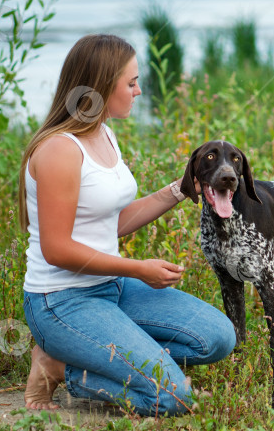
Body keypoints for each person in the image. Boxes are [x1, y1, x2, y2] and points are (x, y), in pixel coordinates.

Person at [17, 34, 236, 416]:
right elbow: (57, 248)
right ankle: (57, 366)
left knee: (218, 338)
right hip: (62, 302)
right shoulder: (59, 151)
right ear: (101, 87)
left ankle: (118, 355)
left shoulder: (105, 134)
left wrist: (181, 190)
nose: (138, 91)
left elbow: (111, 223)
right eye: (131, 83)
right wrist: (138, 269)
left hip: (113, 290)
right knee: (175, 398)